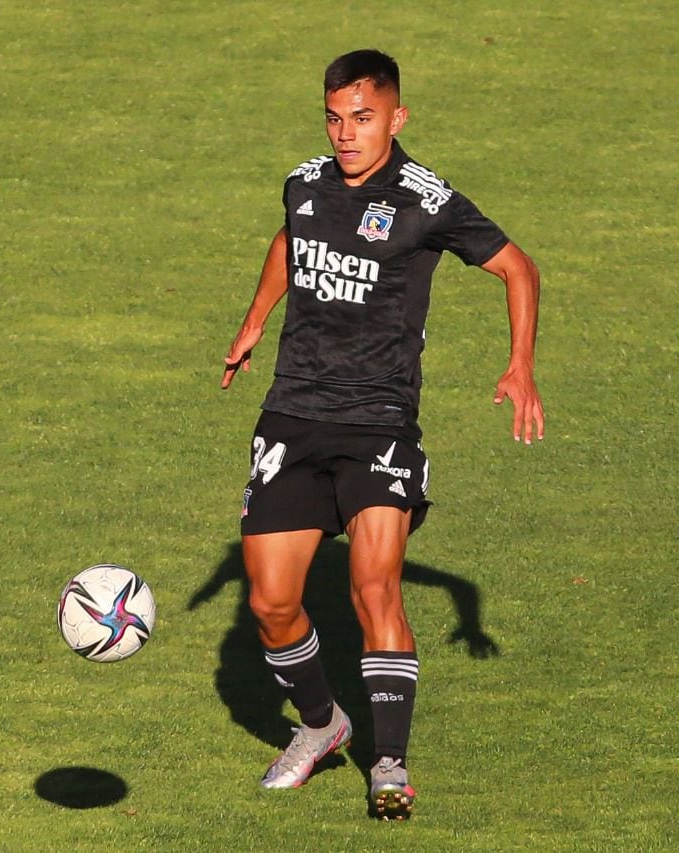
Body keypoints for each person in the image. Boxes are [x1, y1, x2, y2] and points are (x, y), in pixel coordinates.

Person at [219, 49, 543, 821]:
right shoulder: (306, 183)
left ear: (396, 117)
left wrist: (520, 365)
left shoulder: (426, 200)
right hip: (294, 413)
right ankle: (325, 726)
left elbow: (519, 268)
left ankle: (388, 762)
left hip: (379, 423)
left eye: (362, 118)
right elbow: (291, 241)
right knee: (268, 602)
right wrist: (255, 320)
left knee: (374, 586)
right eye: (335, 118)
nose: (346, 134)